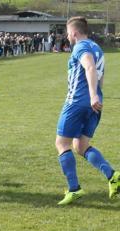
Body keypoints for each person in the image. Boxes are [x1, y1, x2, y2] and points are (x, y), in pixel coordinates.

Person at [55, 16, 119, 205]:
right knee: (80, 146)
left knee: (62, 144)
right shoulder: (97, 48)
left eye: (68, 33)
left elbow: (90, 67)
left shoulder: (80, 46)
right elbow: (101, 76)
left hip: (78, 101)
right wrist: (97, 96)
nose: (67, 37)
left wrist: (91, 95)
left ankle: (74, 189)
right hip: (95, 105)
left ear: (74, 33)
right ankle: (112, 175)